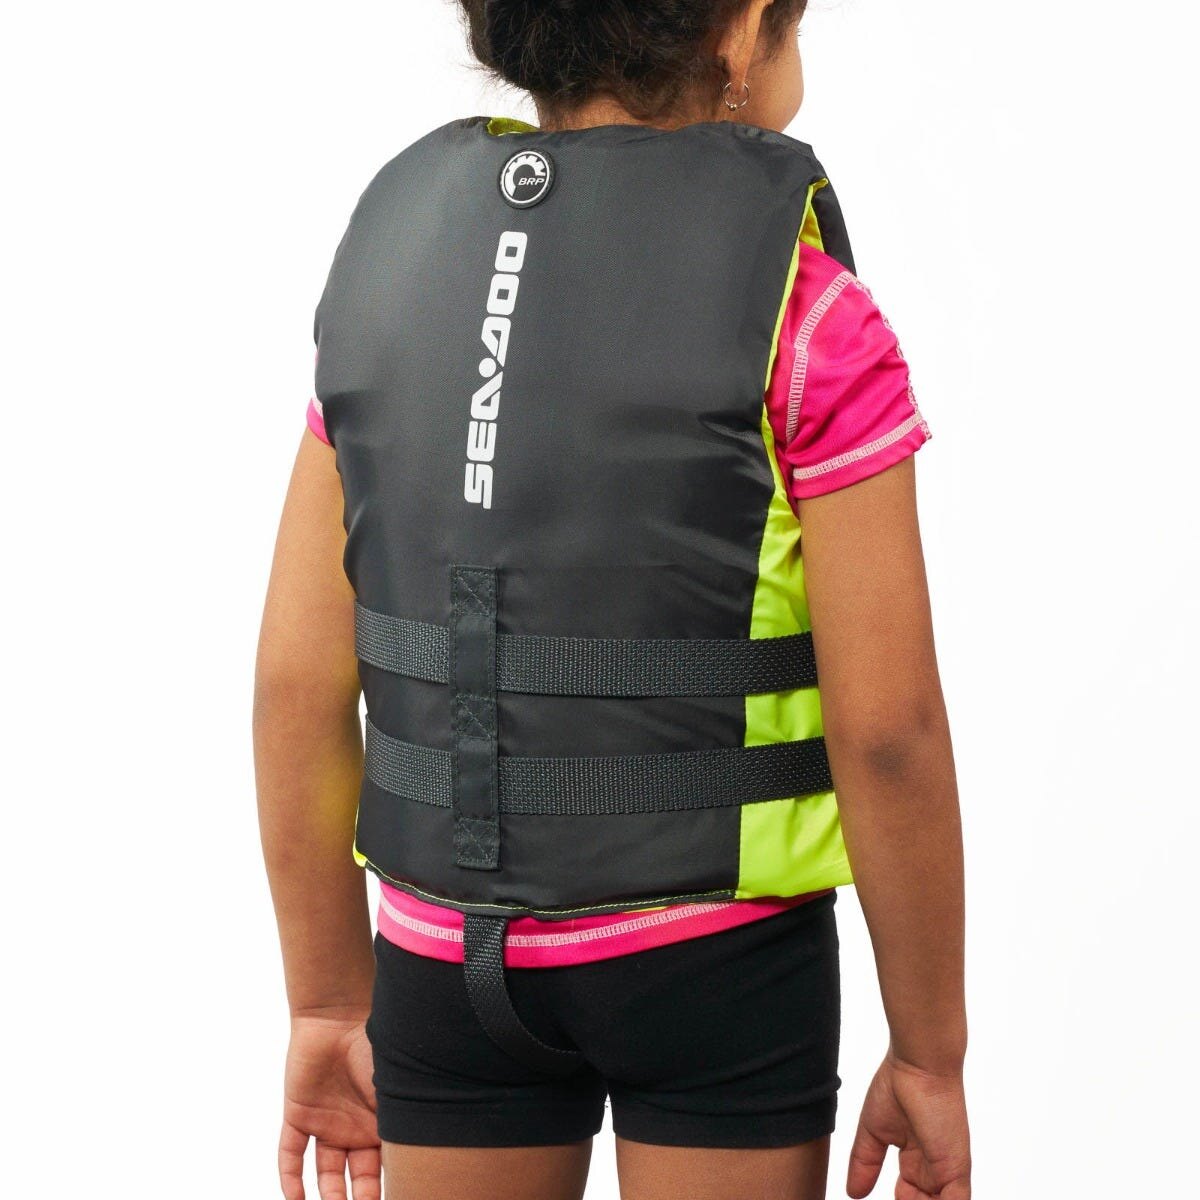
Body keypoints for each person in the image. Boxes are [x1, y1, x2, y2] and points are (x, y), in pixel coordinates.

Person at [253, 1, 970, 1198]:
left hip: (439, 962)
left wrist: (327, 998)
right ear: (742, 30)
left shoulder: (388, 271)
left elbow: (293, 686)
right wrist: (931, 1053)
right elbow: (888, 730)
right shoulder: (804, 313)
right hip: (717, 965)